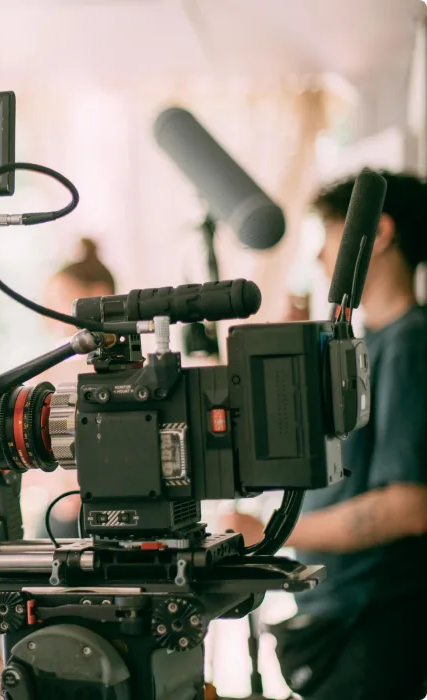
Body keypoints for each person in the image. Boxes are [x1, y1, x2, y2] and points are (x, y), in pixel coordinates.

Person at [219, 171, 427, 700]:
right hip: (346, 616)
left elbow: (408, 506)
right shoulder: (374, 344)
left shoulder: (410, 343)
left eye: (328, 236)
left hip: (372, 620)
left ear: (377, 234)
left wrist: (269, 534)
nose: (317, 258)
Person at [35, 238, 116, 540]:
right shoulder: (57, 367)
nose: (48, 315)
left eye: (59, 300)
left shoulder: (113, 369)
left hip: (96, 513)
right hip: (61, 512)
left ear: (98, 296)